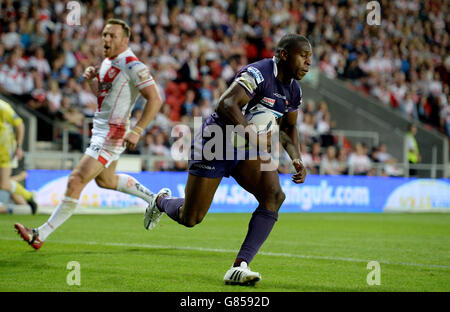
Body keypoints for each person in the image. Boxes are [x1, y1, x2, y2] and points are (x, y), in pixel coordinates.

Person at [144, 34, 311, 285]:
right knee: (191, 218)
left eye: (311, 58)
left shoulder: (294, 91)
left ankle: (239, 266)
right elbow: (226, 104)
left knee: (274, 196)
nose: (308, 62)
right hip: (216, 141)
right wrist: (253, 136)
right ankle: (161, 201)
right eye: (303, 55)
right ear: (284, 54)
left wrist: (297, 159)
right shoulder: (259, 73)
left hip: (246, 149)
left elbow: (288, 127)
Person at [15, 19, 163, 250]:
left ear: (125, 40)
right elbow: (104, 98)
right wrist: (92, 81)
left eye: (112, 36)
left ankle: (39, 234)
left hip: (113, 133)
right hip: (101, 129)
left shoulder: (133, 65)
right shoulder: (107, 62)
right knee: (106, 181)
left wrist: (137, 130)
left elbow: (155, 99)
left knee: (76, 179)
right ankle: (154, 200)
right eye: (104, 34)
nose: (106, 39)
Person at [0, 98, 38, 214]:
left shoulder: (3, 107)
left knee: (4, 184)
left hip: (5, 150)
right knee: (4, 183)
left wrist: (19, 146)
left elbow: (20, 124)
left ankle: (28, 196)